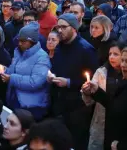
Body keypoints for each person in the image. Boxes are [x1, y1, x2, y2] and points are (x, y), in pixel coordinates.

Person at [82, 45, 127, 150]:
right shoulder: (126, 83)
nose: (122, 65)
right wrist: (96, 91)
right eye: (122, 60)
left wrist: (121, 146)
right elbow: (114, 105)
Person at [48, 13, 99, 150]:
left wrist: (69, 82)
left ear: (74, 28)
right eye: (58, 27)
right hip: (59, 103)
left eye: (63, 27)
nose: (59, 30)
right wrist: (51, 75)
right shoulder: (60, 47)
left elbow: (92, 79)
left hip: (78, 107)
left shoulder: (86, 49)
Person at [2, 22, 51, 121]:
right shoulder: (18, 52)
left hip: (31, 106)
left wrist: (12, 78)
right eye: (19, 40)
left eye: (23, 41)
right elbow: (14, 70)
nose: (20, 43)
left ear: (32, 41)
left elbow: (35, 82)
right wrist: (5, 71)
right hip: (15, 100)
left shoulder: (42, 57)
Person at [81, 42, 125, 150]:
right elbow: (90, 101)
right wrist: (87, 92)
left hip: (120, 121)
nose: (111, 57)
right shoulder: (101, 72)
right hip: (101, 120)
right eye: (110, 54)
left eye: (116, 54)